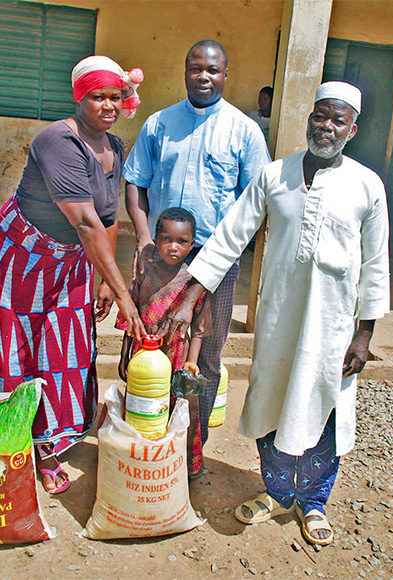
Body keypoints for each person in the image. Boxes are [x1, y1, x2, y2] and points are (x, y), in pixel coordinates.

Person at [165, 81, 388, 545]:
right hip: (278, 318)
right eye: (319, 116)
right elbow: (229, 237)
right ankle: (278, 492)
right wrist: (189, 297)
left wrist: (364, 335)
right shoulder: (275, 176)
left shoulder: (367, 184)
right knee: (272, 399)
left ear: (353, 128)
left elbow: (375, 265)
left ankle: (313, 502)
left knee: (323, 406)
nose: (326, 127)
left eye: (337, 120)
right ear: (310, 118)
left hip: (333, 326)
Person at [123, 39, 271, 476]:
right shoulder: (159, 124)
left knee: (204, 355)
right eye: (195, 68)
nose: (203, 77)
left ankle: (191, 448)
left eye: (213, 70)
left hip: (217, 259)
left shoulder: (244, 132)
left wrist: (223, 253)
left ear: (226, 75)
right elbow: (135, 182)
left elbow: (256, 200)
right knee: (150, 345)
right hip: (164, 255)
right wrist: (145, 239)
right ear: (184, 71)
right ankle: (148, 435)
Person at [0, 55, 146, 495]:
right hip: (27, 260)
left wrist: (106, 278)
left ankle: (49, 442)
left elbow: (105, 219)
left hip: (73, 261)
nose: (107, 105)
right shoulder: (57, 140)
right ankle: (19, 444)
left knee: (65, 351)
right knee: (20, 350)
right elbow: (83, 222)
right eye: (97, 96)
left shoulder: (114, 147)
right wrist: (125, 294)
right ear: (79, 97)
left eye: (115, 97)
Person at [116, 207, 212, 476]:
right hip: (143, 354)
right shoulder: (145, 272)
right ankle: (141, 464)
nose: (173, 247)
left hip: (177, 356)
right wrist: (125, 356)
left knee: (180, 408)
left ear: (192, 245)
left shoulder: (193, 281)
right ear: (155, 241)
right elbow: (131, 316)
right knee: (142, 407)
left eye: (181, 242)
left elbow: (200, 327)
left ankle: (181, 469)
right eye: (166, 240)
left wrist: (192, 362)